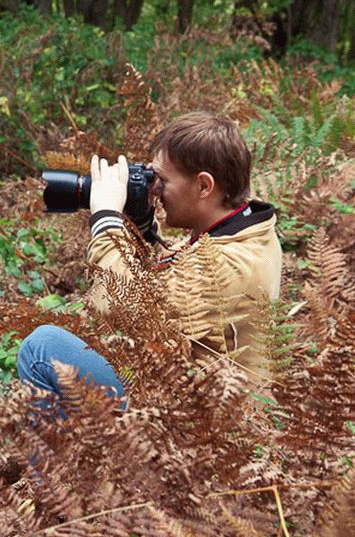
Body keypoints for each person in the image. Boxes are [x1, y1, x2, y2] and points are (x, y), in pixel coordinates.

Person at [18, 112, 282, 403]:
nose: (155, 189)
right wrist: (140, 225)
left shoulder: (227, 265)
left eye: (162, 180)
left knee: (41, 348)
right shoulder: (243, 233)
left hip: (194, 423)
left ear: (204, 186)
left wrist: (106, 218)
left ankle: (58, 448)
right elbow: (168, 289)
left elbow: (118, 308)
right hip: (191, 393)